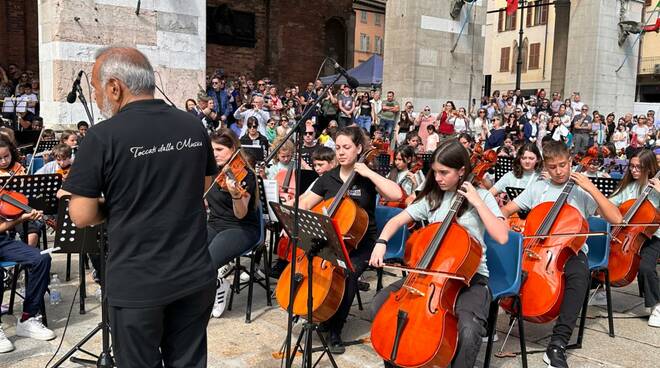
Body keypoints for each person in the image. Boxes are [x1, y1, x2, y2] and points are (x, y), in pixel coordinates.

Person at [62, 47, 217, 367]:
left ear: (115, 87)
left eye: (95, 87)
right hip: (194, 274)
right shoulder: (192, 125)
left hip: (138, 283)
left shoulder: (102, 137)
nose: (95, 96)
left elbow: (81, 214)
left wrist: (113, 205)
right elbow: (202, 186)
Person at [369, 139, 509, 368]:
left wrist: (476, 201)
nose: (438, 178)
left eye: (444, 172)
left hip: (469, 279)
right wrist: (381, 241)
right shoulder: (434, 197)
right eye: (435, 172)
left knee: (469, 329)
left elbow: (502, 236)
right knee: (381, 306)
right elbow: (397, 220)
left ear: (462, 170)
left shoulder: (482, 197)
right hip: (427, 274)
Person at [501, 141, 623, 368]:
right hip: (536, 248)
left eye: (563, 165)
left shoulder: (581, 191)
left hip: (572, 250)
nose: (559, 171)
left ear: (571, 162)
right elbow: (505, 211)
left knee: (579, 276)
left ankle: (557, 344)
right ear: (545, 166)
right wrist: (509, 224)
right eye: (553, 167)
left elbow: (616, 219)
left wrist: (591, 188)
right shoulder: (538, 187)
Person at [298, 126, 401, 353]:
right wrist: (299, 212)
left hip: (362, 243)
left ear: (359, 149)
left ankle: (335, 329)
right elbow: (305, 202)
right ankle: (322, 312)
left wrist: (369, 173)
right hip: (332, 241)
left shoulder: (366, 178)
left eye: (346, 147)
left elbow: (396, 195)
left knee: (348, 272)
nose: (341, 152)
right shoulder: (328, 178)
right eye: (338, 148)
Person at [206, 129, 261, 318]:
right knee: (187, 252)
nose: (214, 153)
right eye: (212, 149)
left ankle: (219, 287)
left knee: (207, 261)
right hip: (215, 223)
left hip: (241, 227)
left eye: (219, 149)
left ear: (233, 149)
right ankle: (208, 289)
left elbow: (241, 214)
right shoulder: (211, 171)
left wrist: (236, 195)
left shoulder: (244, 175)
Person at [604, 150, 660, 327]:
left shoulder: (657, 187)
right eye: (632, 166)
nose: (634, 170)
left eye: (639, 167)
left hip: (654, 235)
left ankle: (657, 306)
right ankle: (598, 289)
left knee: (646, 267)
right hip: (628, 233)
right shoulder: (629, 187)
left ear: (649, 168)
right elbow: (610, 204)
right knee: (604, 253)